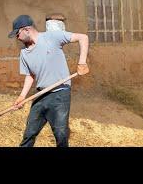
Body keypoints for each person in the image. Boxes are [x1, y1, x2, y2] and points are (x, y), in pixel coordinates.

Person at [8, 14, 90, 147]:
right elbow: (30, 75)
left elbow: (83, 37)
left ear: (26, 30)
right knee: (29, 133)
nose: (17, 38)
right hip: (41, 94)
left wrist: (82, 62)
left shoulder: (52, 37)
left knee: (60, 133)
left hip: (60, 93)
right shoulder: (24, 53)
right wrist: (22, 96)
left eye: (17, 34)